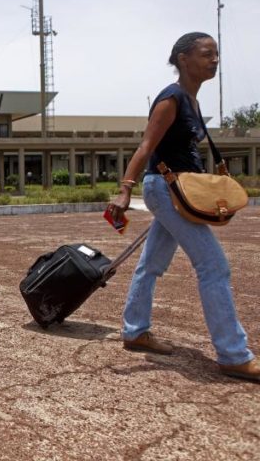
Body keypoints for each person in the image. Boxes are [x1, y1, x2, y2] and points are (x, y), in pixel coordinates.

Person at [109, 32, 259, 382]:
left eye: (216, 54)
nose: (215, 59)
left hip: (177, 191)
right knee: (214, 266)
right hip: (163, 188)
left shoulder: (191, 100)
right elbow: (146, 147)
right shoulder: (172, 97)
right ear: (182, 59)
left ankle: (135, 331)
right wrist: (123, 191)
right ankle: (233, 354)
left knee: (151, 265)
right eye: (207, 53)